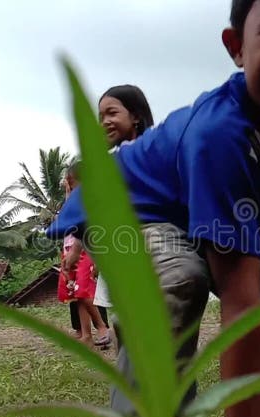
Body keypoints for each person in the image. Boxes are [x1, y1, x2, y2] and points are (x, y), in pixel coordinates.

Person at [47, 1, 260, 417]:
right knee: (176, 280)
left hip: (191, 209)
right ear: (237, 47)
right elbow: (242, 302)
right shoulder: (220, 134)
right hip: (123, 210)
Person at [93, 84, 156, 332]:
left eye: (112, 113)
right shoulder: (112, 161)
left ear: (136, 116)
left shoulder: (151, 153)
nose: (105, 121)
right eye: (101, 117)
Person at [59, 165, 111, 347]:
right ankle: (87, 334)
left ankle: (102, 328)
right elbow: (69, 218)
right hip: (73, 249)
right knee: (78, 295)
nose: (70, 184)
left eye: (72, 181)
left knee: (84, 291)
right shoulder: (76, 201)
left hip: (87, 251)